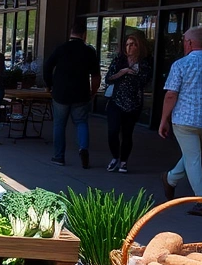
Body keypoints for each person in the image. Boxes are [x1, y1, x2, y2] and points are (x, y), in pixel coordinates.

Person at [159, 26, 202, 217]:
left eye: (184, 40)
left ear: (189, 43)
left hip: (185, 120)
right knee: (193, 155)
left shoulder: (181, 64)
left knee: (192, 159)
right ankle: (170, 179)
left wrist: (163, 120)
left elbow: (171, 95)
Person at [44, 21, 101, 168]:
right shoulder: (89, 51)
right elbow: (96, 75)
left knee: (59, 125)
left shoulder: (61, 48)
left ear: (71, 33)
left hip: (60, 93)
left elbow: (47, 66)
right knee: (81, 123)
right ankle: (83, 149)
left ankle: (58, 157)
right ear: (84, 35)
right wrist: (93, 92)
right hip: (81, 94)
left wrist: (49, 85)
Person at [104, 33, 152, 173]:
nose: (129, 47)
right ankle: (115, 157)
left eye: (133, 44)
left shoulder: (144, 63)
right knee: (112, 131)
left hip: (133, 103)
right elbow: (108, 79)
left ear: (139, 46)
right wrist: (122, 72)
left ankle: (123, 161)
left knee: (127, 133)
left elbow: (145, 82)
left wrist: (135, 74)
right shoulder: (119, 60)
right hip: (116, 101)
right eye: (127, 44)